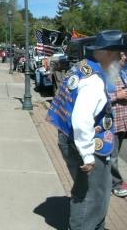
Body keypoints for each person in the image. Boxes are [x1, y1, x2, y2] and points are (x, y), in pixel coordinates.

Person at [47, 30, 127, 230]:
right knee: (92, 196)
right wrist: (88, 155)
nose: (124, 58)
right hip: (87, 144)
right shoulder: (94, 80)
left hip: (71, 138)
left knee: (89, 191)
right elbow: (82, 119)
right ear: (108, 53)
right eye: (121, 54)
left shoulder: (84, 66)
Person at [108, 50, 127, 198]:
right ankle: (116, 184)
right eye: (122, 55)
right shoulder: (106, 74)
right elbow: (97, 97)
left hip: (122, 121)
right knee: (112, 156)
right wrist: (117, 95)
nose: (125, 58)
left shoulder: (123, 72)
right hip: (111, 122)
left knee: (115, 153)